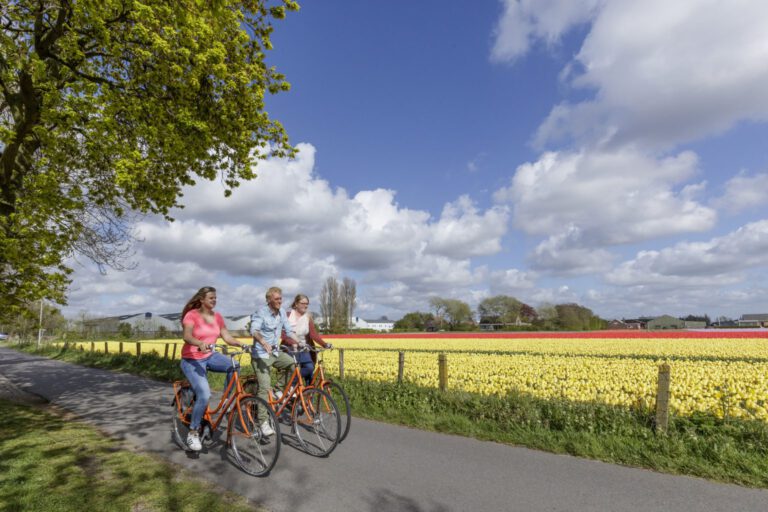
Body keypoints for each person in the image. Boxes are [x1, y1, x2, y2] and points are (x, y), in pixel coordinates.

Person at [180, 286, 246, 452]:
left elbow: (227, 336)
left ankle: (225, 401)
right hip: (192, 359)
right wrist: (199, 343)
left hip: (210, 356)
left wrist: (240, 343)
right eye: (211, 298)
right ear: (202, 299)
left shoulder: (217, 317)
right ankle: (193, 432)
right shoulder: (192, 315)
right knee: (204, 394)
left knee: (234, 366)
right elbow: (187, 336)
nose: (214, 300)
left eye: (215, 297)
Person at [249, 286, 299, 435]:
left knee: (293, 364)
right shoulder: (261, 313)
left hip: (275, 353)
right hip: (260, 355)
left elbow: (289, 331)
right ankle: (262, 422)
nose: (280, 301)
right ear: (269, 299)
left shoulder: (282, 312)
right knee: (264, 387)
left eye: (281, 298)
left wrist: (301, 343)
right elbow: (254, 330)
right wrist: (263, 342)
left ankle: (278, 389)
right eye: (277, 299)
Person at [281, 294, 333, 384]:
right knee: (295, 368)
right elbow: (283, 334)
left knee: (309, 367)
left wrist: (325, 344)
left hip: (303, 347)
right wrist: (293, 342)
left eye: (307, 304)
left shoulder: (307, 317)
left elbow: (313, 334)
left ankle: (294, 385)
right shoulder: (288, 315)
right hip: (289, 348)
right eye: (303, 303)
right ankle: (291, 387)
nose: (305, 305)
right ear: (296, 304)